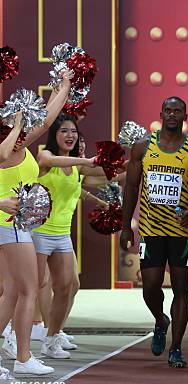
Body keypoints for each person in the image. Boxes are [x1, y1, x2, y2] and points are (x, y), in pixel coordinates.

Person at [120, 96, 188, 368]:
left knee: (181, 288)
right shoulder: (142, 148)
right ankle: (161, 319)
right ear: (160, 113)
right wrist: (126, 226)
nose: (172, 114)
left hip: (181, 231)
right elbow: (131, 188)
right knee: (150, 286)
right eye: (168, 110)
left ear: (185, 115)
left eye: (178, 111)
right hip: (150, 229)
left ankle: (177, 348)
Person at [0, 70, 72, 375]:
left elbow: (45, 118)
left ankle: (20, 355)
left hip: (14, 225)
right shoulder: (7, 148)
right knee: (30, 288)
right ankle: (24, 358)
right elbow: (3, 151)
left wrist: (64, 87)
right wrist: (16, 125)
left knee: (13, 290)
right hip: (9, 224)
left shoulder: (19, 146)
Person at [32, 114, 110, 359]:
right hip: (38, 232)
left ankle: (51, 338)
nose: (70, 135)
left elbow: (85, 187)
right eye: (64, 131)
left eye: (73, 132)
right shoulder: (45, 156)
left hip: (62, 234)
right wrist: (88, 160)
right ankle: (13, 336)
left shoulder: (76, 167)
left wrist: (101, 201)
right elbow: (55, 161)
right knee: (29, 288)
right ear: (54, 135)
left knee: (67, 286)